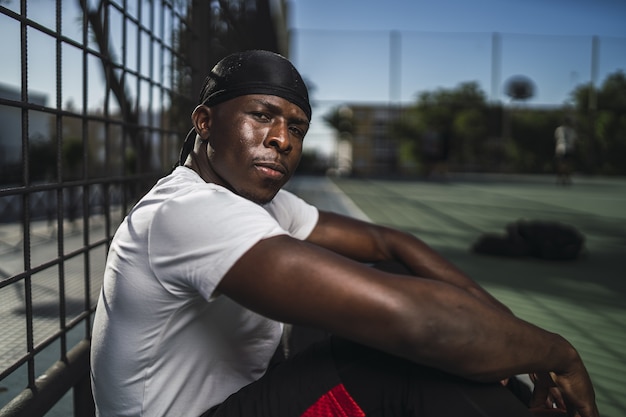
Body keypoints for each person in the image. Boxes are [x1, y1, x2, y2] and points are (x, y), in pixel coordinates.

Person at [90, 50, 599, 417]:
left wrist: (502, 328)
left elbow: (392, 245)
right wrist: (556, 353)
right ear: (204, 122)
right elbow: (416, 322)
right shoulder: (186, 212)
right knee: (394, 355)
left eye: (297, 128)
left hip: (246, 396)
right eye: (261, 116)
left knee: (390, 281)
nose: (281, 139)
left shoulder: (260, 204)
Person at [554, 117, 577, 185]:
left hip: (560, 147)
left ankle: (560, 178)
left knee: (561, 164)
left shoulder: (559, 129)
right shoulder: (572, 130)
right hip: (569, 148)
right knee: (568, 164)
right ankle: (567, 179)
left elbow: (556, 138)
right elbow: (574, 141)